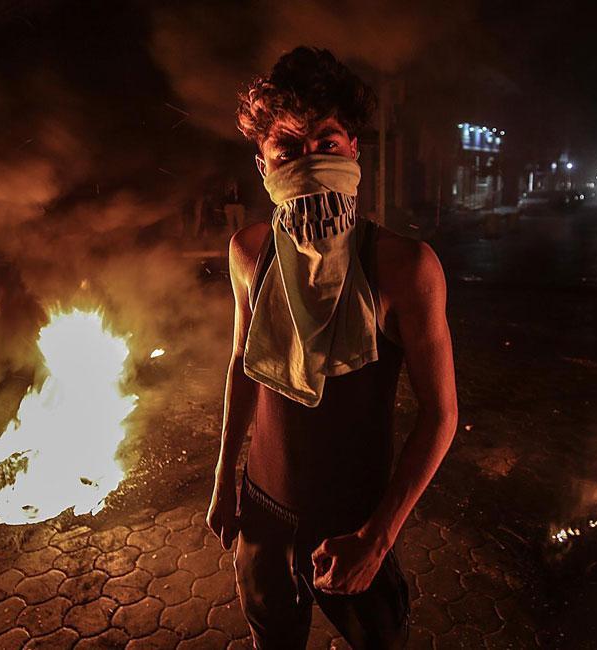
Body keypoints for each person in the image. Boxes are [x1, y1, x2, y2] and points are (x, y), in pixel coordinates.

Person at [206, 47, 458, 649]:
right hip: (262, 514)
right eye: (288, 149)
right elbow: (243, 366)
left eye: (327, 141)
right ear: (263, 165)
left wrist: (378, 538)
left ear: (353, 151)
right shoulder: (248, 252)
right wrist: (222, 479)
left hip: (357, 525)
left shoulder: (404, 267)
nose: (310, 161)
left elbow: (442, 415)